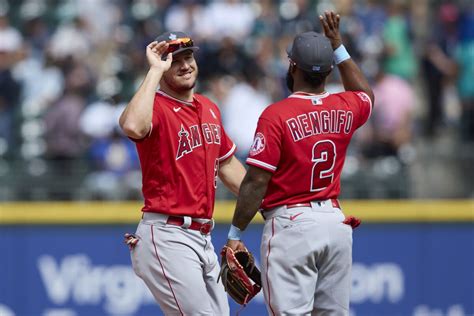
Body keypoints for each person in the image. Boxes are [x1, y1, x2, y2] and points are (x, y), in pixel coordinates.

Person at [225, 11, 374, 315]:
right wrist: (338, 45)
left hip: (292, 225)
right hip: (335, 223)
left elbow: (255, 181)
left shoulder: (276, 115)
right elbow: (366, 94)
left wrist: (235, 234)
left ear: (293, 66)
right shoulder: (345, 106)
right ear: (330, 71)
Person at [119, 31, 246, 315]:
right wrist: (154, 70)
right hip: (167, 233)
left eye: (188, 57)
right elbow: (132, 126)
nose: (184, 65)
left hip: (202, 236)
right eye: (174, 61)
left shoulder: (209, 107)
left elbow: (226, 164)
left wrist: (271, 198)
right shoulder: (156, 107)